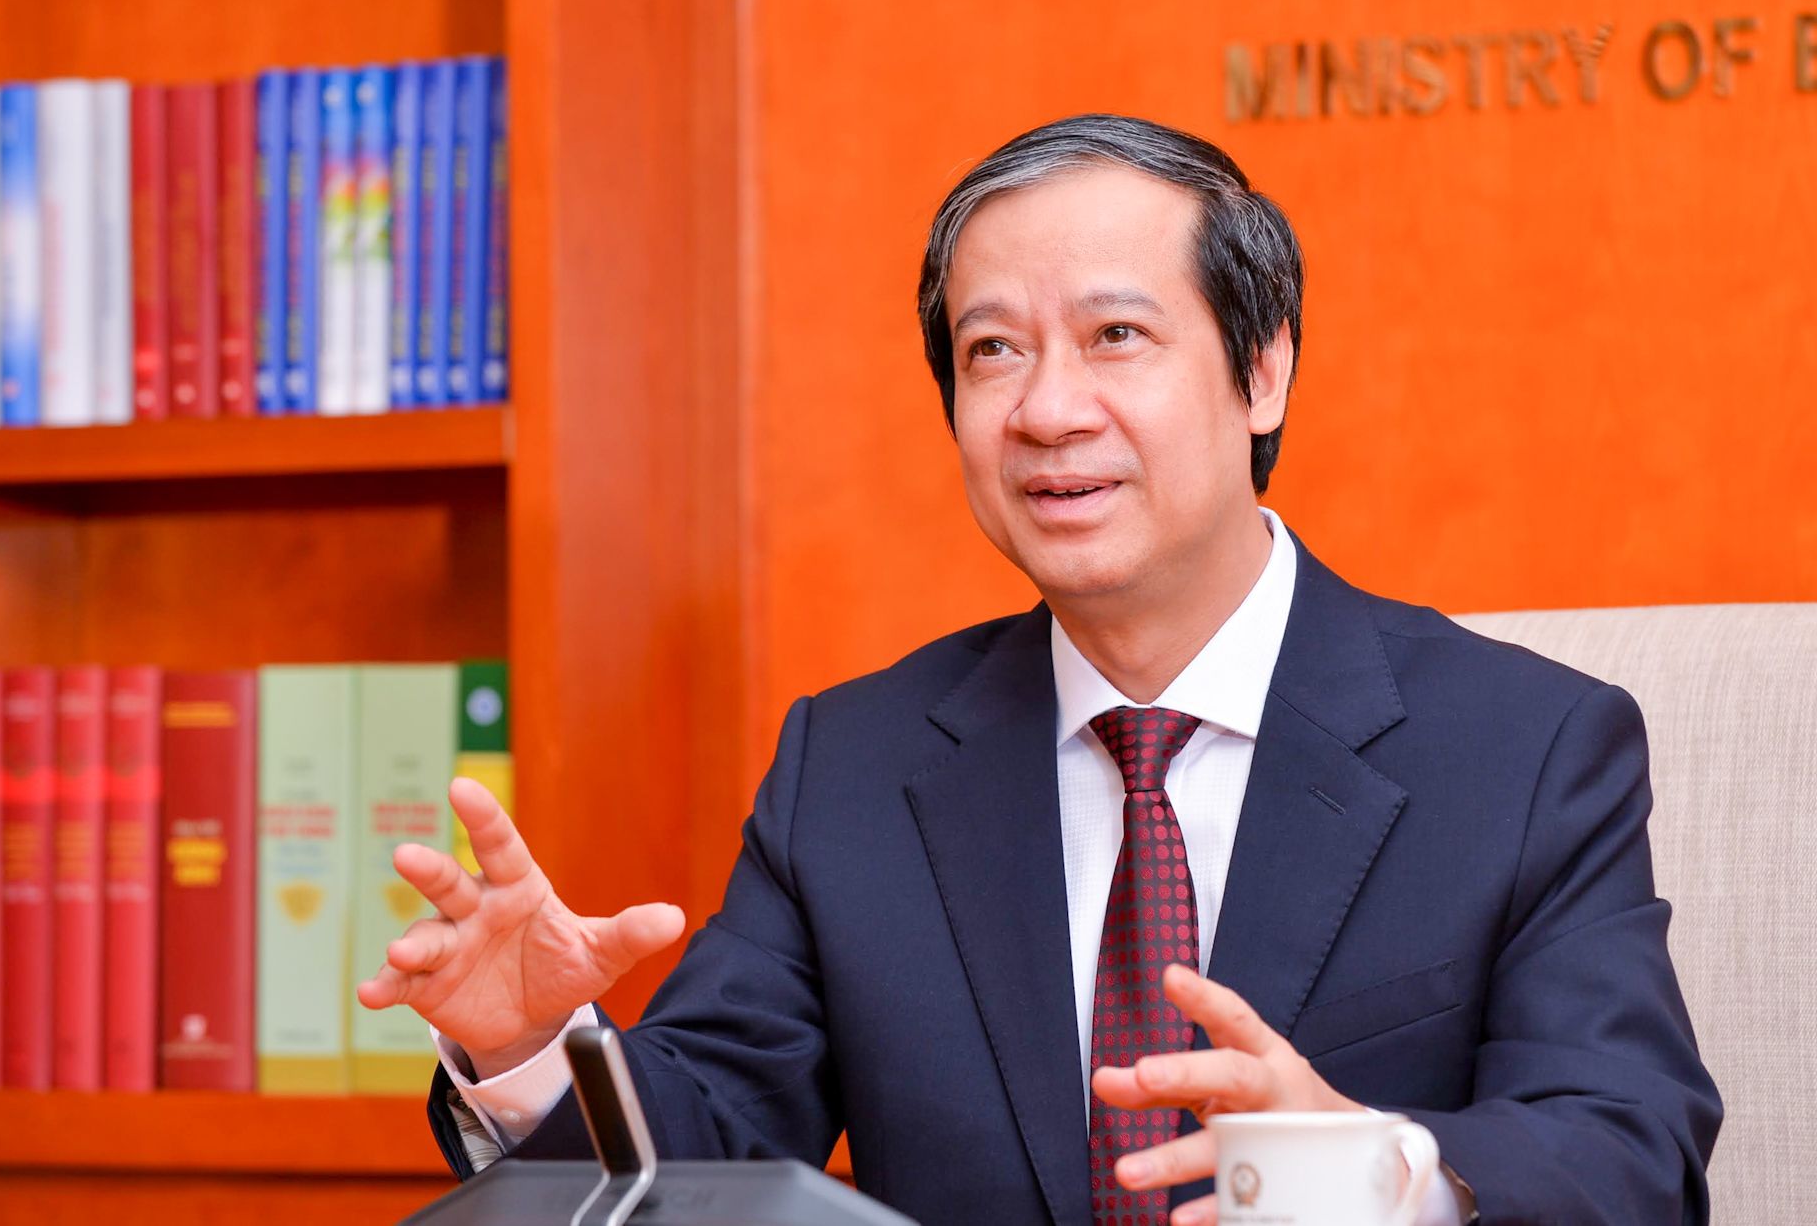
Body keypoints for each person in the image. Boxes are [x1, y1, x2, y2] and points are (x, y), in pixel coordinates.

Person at [358, 114, 1720, 1226]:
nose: (1049, 410)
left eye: (1116, 336)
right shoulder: (856, 767)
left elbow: (1631, 1153)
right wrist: (529, 1053)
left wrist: (1382, 1171)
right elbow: (701, 1161)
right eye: (993, 351)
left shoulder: (1527, 748)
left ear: (1262, 373)